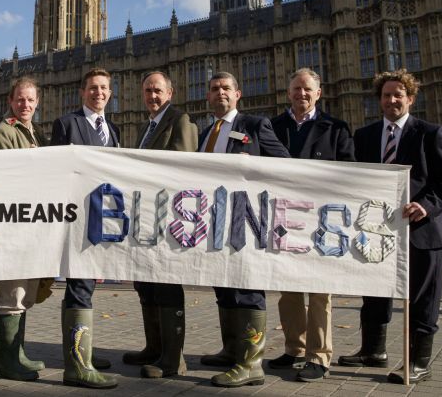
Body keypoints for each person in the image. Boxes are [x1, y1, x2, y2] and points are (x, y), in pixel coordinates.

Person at [338, 70, 442, 384]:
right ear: (379, 99)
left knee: (423, 299)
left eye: (398, 95)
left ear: (410, 98)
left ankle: (419, 362)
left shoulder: (430, 132)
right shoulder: (365, 136)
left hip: (423, 231)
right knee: (374, 294)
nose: (391, 100)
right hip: (378, 232)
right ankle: (373, 351)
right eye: (386, 95)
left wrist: (425, 205)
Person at [197, 71, 290, 388]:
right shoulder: (206, 133)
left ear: (237, 94)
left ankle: (251, 364)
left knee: (247, 288)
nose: (219, 93)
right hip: (214, 220)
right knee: (223, 286)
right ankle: (232, 349)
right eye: (214, 89)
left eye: (226, 88)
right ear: (207, 96)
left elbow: (283, 162)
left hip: (246, 219)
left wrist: (254, 166)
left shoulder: (254, 125)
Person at [267, 69, 355, 382]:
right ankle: (294, 347)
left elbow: (349, 174)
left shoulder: (336, 128)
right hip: (284, 217)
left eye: (307, 90)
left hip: (321, 221)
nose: (301, 94)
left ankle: (318, 356)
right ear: (288, 92)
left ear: (318, 93)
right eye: (296, 89)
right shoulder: (274, 126)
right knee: (288, 290)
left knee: (320, 293)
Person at [124, 71, 197, 379]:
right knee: (147, 285)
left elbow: (185, 164)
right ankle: (154, 347)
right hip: (145, 218)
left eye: (157, 91)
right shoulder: (145, 126)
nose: (152, 96)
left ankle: (173, 358)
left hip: (168, 216)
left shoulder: (181, 120)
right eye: (148, 92)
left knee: (166, 285)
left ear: (170, 92)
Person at [50, 68, 119, 389]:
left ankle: (79, 351)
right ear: (82, 92)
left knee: (86, 286)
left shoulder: (113, 129)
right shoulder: (67, 124)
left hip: (103, 219)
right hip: (77, 219)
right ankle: (78, 365)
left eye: (104, 88)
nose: (99, 93)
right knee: (79, 285)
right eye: (93, 88)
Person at [0, 77, 49, 381]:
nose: (25, 104)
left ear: (37, 103)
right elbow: (3, 180)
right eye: (20, 99)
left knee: (25, 294)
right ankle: (8, 362)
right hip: (13, 228)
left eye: (30, 100)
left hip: (32, 227)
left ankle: (18, 353)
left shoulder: (35, 133)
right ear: (11, 101)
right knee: (12, 294)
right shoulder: (3, 132)